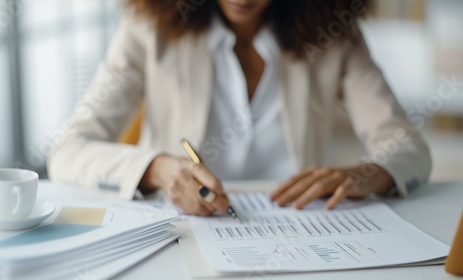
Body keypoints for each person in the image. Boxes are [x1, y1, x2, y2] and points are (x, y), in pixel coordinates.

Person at [47, 0, 431, 216]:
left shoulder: (334, 33)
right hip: (178, 239)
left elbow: (408, 148)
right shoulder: (148, 30)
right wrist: (160, 170)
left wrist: (370, 173)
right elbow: (69, 151)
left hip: (302, 237)